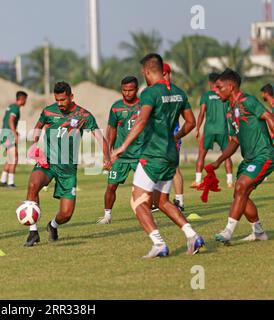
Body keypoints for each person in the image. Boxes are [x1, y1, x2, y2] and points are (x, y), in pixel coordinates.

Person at [111, 53, 205, 258]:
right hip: (171, 155)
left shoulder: (150, 93)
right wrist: (175, 137)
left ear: (146, 72)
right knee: (162, 201)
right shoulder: (179, 93)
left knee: (137, 202)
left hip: (152, 155)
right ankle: (192, 235)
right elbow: (191, 122)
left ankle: (158, 244)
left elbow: (142, 121)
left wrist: (122, 146)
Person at [24, 81, 111, 247]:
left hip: (68, 169)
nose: (60, 104)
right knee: (33, 184)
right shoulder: (48, 111)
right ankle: (33, 232)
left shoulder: (84, 116)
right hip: (48, 162)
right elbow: (38, 127)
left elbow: (100, 138)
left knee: (66, 214)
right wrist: (34, 144)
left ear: (71, 97)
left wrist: (107, 158)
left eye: (63, 100)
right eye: (57, 100)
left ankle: (52, 225)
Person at [211, 69, 274, 244]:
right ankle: (259, 232)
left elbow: (268, 116)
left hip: (264, 155)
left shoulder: (249, 101)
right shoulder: (230, 110)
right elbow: (235, 140)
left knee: (241, 187)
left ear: (230, 87)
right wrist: (219, 160)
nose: (216, 91)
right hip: (249, 159)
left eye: (219, 87)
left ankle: (228, 231)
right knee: (241, 194)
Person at [97, 76, 143, 224]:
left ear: (136, 89)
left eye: (131, 90)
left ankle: (150, 211)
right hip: (120, 155)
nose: (127, 93)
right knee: (111, 186)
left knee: (147, 185)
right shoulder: (116, 107)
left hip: (140, 154)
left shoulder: (144, 105)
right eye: (124, 90)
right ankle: (107, 215)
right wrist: (109, 153)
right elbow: (112, 129)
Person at [192, 73, 233, 189]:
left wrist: (197, 129)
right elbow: (230, 113)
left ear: (210, 83)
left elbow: (201, 114)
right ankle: (230, 181)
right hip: (223, 130)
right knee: (227, 155)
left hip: (209, 130)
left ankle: (198, 181)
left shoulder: (206, 96)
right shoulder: (224, 95)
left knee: (201, 155)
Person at [163, 63, 186, 213]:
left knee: (174, 168)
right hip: (160, 136)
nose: (163, 76)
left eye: (165, 74)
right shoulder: (156, 91)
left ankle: (179, 201)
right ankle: (158, 200)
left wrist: (176, 135)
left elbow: (189, 119)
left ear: (169, 74)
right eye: (161, 74)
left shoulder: (177, 93)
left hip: (171, 135)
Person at [0, 91, 28, 188]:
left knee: (10, 158)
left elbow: (6, 121)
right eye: (25, 99)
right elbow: (10, 120)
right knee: (14, 159)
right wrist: (14, 133)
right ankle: (10, 182)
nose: (26, 101)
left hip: (4, 133)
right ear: (22, 99)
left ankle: (2, 180)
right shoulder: (15, 108)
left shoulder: (11, 106)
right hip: (8, 135)